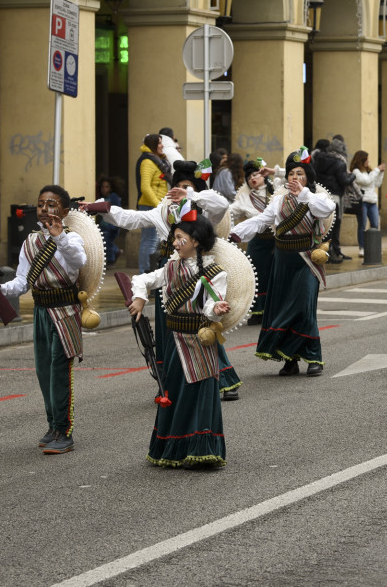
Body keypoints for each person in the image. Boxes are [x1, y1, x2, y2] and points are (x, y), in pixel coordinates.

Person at [95, 162, 244, 401]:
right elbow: (128, 218)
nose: (178, 193)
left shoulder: (204, 211)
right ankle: (169, 382)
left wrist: (190, 193)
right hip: (170, 274)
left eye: (184, 187)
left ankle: (221, 379)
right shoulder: (162, 212)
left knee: (202, 326)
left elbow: (222, 204)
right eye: (175, 188)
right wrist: (97, 207)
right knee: (169, 328)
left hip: (198, 274)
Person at [0, 186, 87, 454]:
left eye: (51, 205)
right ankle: (53, 425)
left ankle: (65, 431)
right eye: (41, 204)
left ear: (64, 212)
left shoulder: (72, 238)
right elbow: (22, 281)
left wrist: (59, 237)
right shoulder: (30, 242)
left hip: (65, 312)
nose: (44, 209)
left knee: (58, 371)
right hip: (42, 311)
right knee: (43, 371)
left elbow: (80, 259)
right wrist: (1, 290)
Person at [128, 215, 230, 468]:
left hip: (200, 341)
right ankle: (173, 449)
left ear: (195, 241)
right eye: (174, 237)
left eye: (178, 238)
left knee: (199, 394)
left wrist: (215, 309)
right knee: (175, 394)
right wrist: (140, 297)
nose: (174, 243)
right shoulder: (171, 268)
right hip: (174, 343)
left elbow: (209, 305)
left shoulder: (215, 273)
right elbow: (142, 280)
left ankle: (201, 450)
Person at [231, 148, 336, 377]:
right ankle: (290, 360)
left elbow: (328, 209)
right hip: (283, 261)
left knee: (303, 309)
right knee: (282, 308)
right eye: (291, 174)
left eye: (300, 174)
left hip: (306, 260)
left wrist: (305, 195)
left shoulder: (315, 199)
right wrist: (235, 234)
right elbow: (261, 221)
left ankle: (313, 357)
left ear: (307, 178)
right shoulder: (278, 202)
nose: (295, 178)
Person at [229, 159, 276, 326]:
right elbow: (229, 212)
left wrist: (272, 171)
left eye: (255, 174)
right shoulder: (245, 198)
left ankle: (274, 312)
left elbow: (290, 177)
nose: (252, 179)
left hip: (278, 241)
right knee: (255, 277)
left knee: (275, 276)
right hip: (258, 241)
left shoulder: (277, 189)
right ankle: (257, 312)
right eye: (249, 177)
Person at [312, 138, 352, 263]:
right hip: (334, 197)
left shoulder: (318, 160)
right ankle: (332, 253)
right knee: (334, 226)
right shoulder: (339, 162)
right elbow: (344, 181)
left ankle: (324, 252)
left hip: (321, 195)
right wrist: (353, 175)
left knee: (324, 226)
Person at [136, 133, 170, 273]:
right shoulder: (147, 162)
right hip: (150, 206)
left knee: (154, 241)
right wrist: (158, 205)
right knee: (149, 241)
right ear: (153, 145)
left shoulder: (157, 161)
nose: (162, 145)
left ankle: (148, 273)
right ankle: (145, 273)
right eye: (159, 143)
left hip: (156, 206)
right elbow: (145, 187)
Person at [349, 150, 384, 257]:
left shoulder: (370, 171)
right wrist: (377, 170)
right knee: (362, 225)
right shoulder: (356, 172)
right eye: (367, 159)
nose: (368, 161)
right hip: (362, 202)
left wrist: (381, 173)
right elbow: (367, 181)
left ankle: (375, 247)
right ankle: (362, 248)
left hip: (372, 201)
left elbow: (377, 183)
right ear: (361, 160)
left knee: (375, 225)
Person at [96, 177, 122, 266]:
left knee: (107, 242)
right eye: (102, 187)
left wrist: (115, 226)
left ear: (110, 188)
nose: (104, 189)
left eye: (106, 187)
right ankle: (116, 251)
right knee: (105, 242)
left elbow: (118, 211)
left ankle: (110, 260)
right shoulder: (102, 198)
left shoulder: (113, 197)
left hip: (111, 225)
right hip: (103, 225)